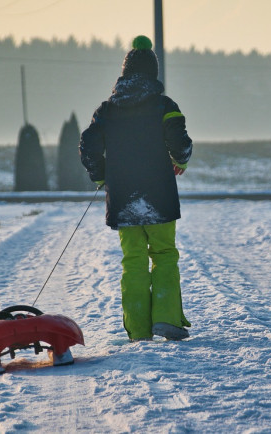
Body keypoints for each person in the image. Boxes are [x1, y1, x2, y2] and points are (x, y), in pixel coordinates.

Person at [80, 35, 193, 342]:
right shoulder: (165, 106)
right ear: (153, 74)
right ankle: (168, 320)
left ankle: (139, 330)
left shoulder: (107, 110)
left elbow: (88, 145)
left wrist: (101, 176)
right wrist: (179, 160)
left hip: (123, 197)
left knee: (133, 260)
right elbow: (180, 144)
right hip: (160, 195)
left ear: (125, 74)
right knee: (165, 254)